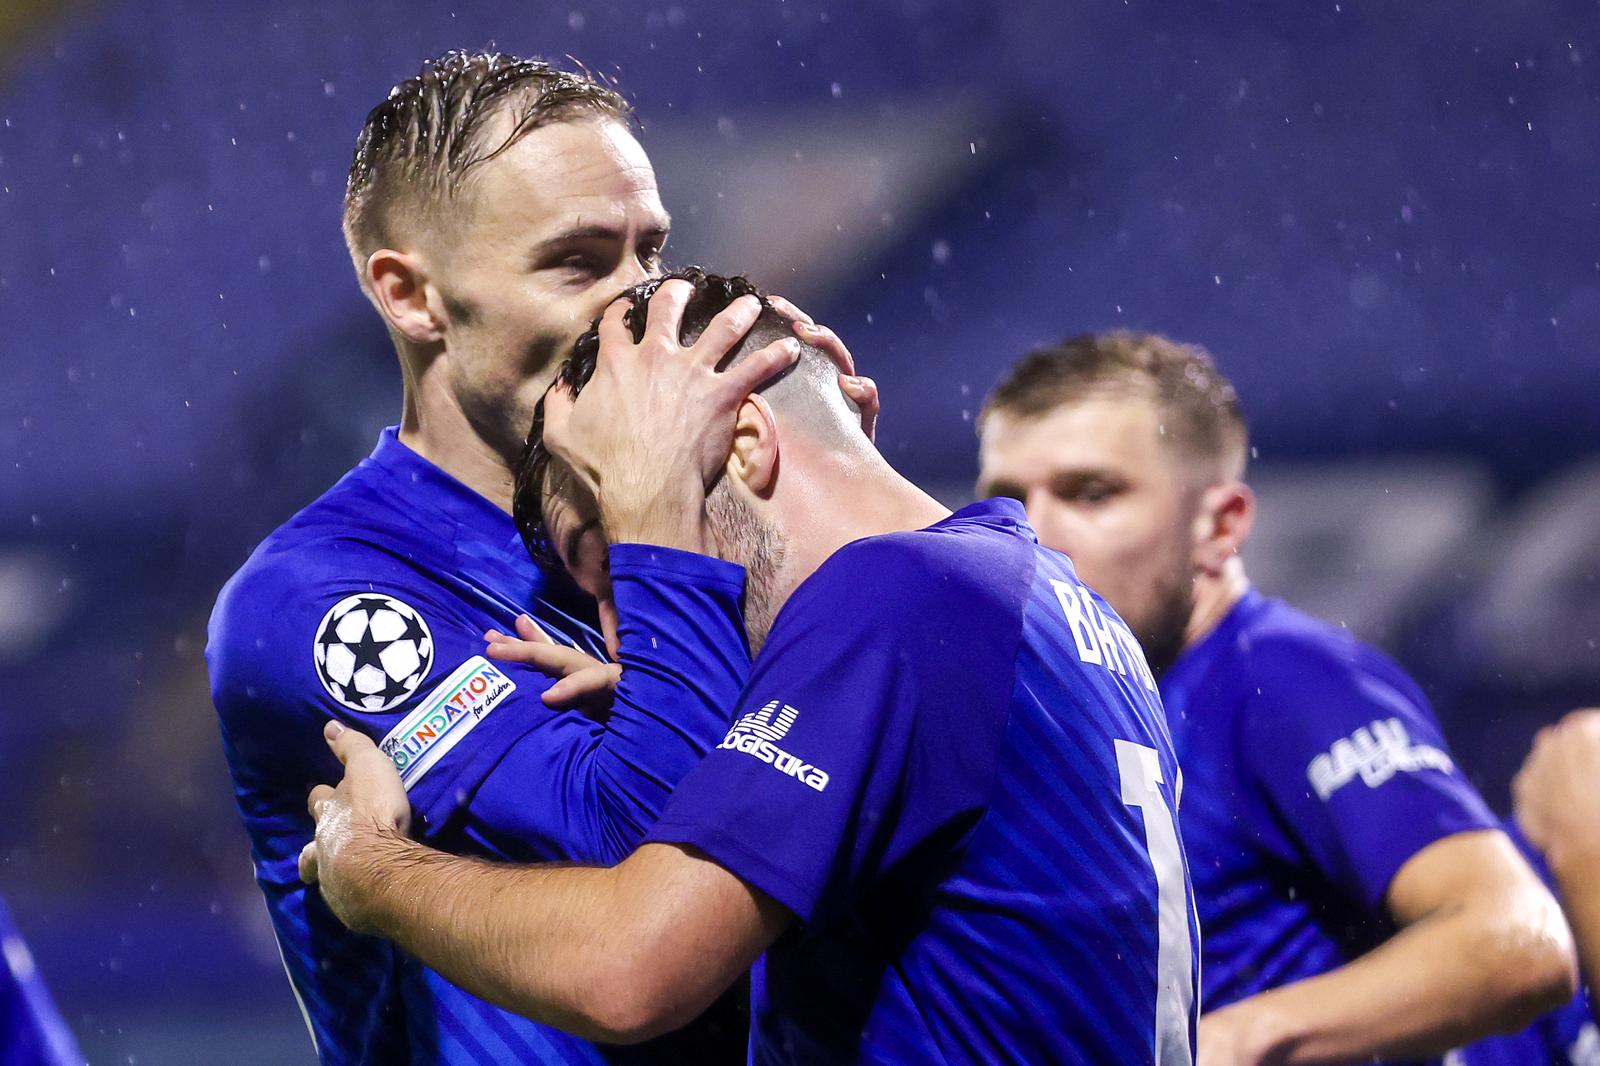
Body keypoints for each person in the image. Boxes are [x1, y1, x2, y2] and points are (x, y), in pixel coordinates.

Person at [300, 271, 1201, 1065]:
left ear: (743, 445)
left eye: (622, 555)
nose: (623, 632)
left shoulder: (895, 599)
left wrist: (371, 867)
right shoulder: (1027, 592)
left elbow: (630, 974)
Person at [206, 51, 870, 1065]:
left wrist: (831, 501)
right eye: (578, 261)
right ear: (411, 296)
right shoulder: (321, 598)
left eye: (651, 250)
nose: (638, 302)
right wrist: (668, 548)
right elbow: (640, 865)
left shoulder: (701, 509)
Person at [975, 331, 1576, 1065]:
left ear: (1219, 527)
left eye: (1092, 493)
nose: (1030, 533)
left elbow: (1516, 942)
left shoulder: (1282, 681)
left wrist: (1222, 1046)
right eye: (1005, 499)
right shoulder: (1051, 708)